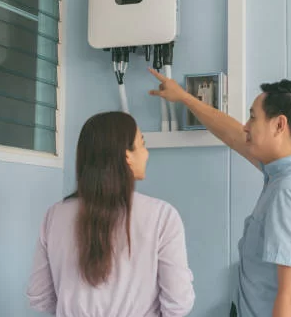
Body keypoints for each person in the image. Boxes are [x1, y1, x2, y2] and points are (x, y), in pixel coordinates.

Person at [149, 69, 291, 317]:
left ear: (279, 125)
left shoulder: (290, 192)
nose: (245, 126)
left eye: (252, 118)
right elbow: (233, 134)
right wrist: (184, 97)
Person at [26, 112, 195, 317]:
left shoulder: (54, 216)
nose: (146, 153)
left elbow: (40, 297)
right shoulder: (162, 217)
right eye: (142, 144)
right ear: (127, 157)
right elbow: (178, 303)